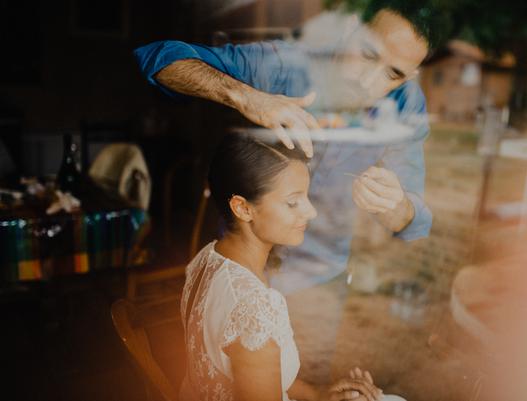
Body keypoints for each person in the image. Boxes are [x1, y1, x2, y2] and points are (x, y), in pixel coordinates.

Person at [134, 2, 450, 293]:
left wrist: (394, 205)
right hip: (240, 265)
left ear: (412, 74)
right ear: (351, 26)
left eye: (393, 74)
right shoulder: (286, 64)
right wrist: (246, 96)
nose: (369, 83)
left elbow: (412, 223)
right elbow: (160, 59)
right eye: (368, 53)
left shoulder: (407, 103)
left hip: (322, 282)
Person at [180, 132, 405, 401]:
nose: (311, 212)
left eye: (307, 197)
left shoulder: (206, 260)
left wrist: (319, 395)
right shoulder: (255, 311)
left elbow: (252, 374)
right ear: (243, 208)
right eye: (293, 202)